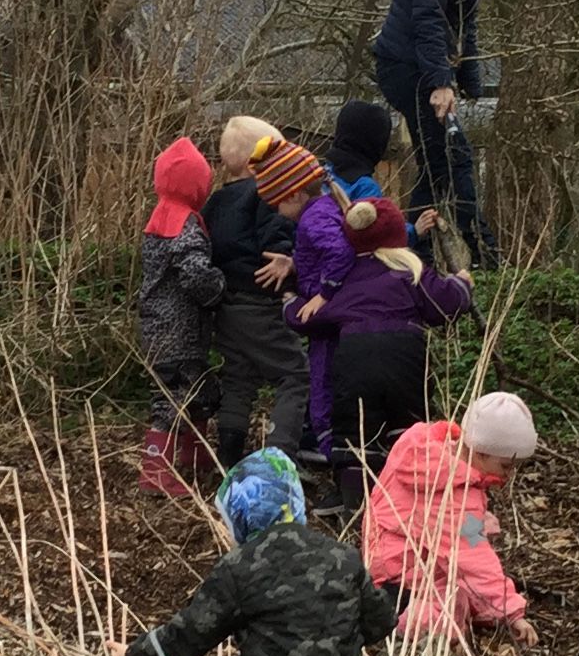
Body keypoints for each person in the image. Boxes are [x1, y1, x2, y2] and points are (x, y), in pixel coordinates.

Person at [103, 449, 401, 656]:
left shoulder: (239, 569)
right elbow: (381, 621)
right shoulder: (343, 556)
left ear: (240, 515)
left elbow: (187, 636)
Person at [374, 0, 507, 262]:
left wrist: (470, 78)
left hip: (432, 66)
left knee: (440, 161)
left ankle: (411, 252)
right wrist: (441, 83)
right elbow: (429, 17)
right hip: (405, 64)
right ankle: (483, 252)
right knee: (453, 156)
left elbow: (466, 21)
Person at [299, 200, 474, 482]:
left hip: (354, 357)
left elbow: (312, 315)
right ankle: (412, 487)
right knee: (408, 426)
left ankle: (351, 494)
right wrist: (462, 284)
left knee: (355, 428)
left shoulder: (345, 277)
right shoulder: (411, 270)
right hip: (404, 354)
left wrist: (289, 304)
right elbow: (445, 304)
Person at [366, 390, 542, 649]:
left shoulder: (424, 448)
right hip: (400, 577)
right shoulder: (454, 497)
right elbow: (473, 555)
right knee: (452, 612)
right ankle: (395, 621)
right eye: (506, 466)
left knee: (467, 579)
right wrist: (512, 611)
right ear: (481, 452)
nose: (509, 474)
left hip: (386, 554)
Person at [248, 134, 359, 506]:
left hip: (330, 325)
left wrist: (322, 295)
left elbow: (340, 254)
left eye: (277, 202)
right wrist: (295, 264)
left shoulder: (313, 219)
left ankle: (344, 484)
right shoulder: (323, 211)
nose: (277, 211)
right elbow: (325, 253)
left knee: (324, 396)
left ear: (294, 194)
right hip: (333, 323)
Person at [203, 116, 311, 474]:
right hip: (260, 303)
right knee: (294, 373)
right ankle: (281, 457)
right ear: (259, 163)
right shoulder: (266, 194)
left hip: (227, 306)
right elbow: (276, 241)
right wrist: (292, 274)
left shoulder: (214, 203)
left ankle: (229, 455)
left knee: (239, 376)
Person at [137, 137, 225, 496]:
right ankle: (156, 470)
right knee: (174, 398)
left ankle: (192, 454)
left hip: (159, 328)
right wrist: (219, 287)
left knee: (198, 391)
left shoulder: (160, 219)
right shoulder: (184, 223)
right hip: (179, 331)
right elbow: (193, 273)